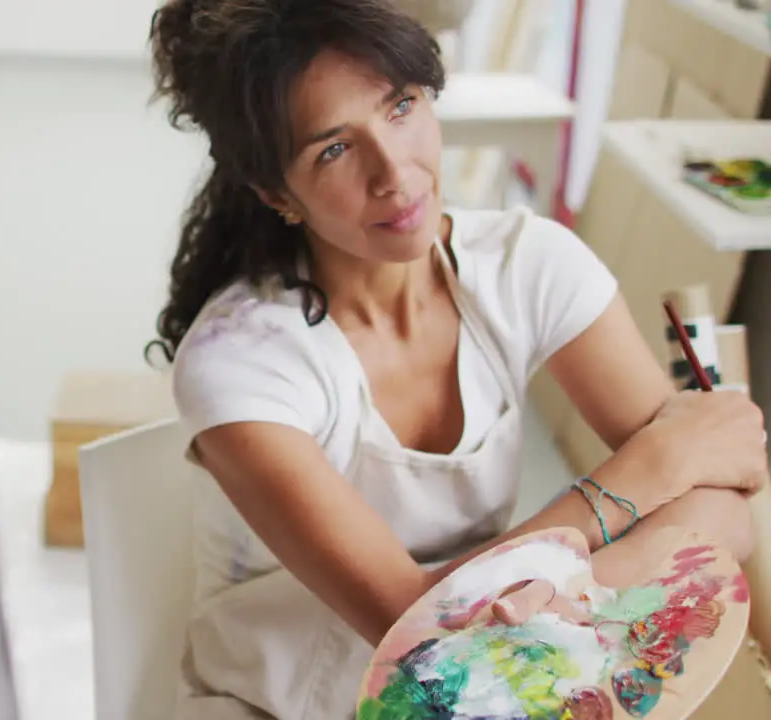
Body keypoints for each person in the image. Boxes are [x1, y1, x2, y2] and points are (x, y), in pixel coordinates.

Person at [144, 1, 769, 717]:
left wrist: (561, 591)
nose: (395, 173)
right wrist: (649, 469)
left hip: (505, 681)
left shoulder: (526, 266)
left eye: (401, 106)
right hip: (282, 701)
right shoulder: (242, 364)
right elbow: (417, 633)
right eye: (335, 149)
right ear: (277, 195)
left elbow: (721, 500)